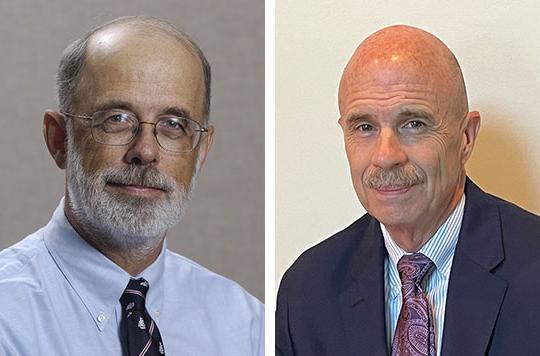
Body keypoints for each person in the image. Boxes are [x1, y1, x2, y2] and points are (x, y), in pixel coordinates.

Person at [0, 16, 263, 355]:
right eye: (117, 119)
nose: (146, 151)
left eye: (173, 124)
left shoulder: (246, 326)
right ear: (59, 139)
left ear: (201, 151)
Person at [276, 25, 540, 356]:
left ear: (466, 138)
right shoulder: (306, 292)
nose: (386, 157)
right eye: (365, 127)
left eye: (413, 124)